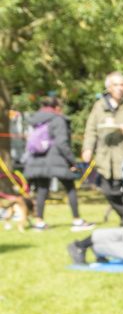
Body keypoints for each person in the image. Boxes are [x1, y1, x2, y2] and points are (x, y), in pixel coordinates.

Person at [23, 97, 93, 231]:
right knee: (70, 188)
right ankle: (77, 221)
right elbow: (62, 143)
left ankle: (39, 222)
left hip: (38, 158)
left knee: (42, 190)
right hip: (57, 159)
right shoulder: (57, 119)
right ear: (57, 107)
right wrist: (73, 161)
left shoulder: (35, 119)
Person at [82, 71, 123, 224]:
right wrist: (87, 148)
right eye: (116, 85)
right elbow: (91, 129)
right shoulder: (99, 105)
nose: (120, 88)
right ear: (109, 88)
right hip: (105, 158)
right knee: (109, 192)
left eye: (122, 85)